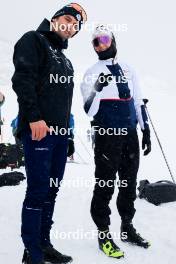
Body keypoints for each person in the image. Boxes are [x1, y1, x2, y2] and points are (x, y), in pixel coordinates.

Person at [11, 3, 87, 264]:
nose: (71, 26)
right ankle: (31, 252)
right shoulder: (34, 39)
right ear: (55, 19)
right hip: (38, 131)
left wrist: (68, 136)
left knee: (51, 191)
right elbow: (22, 80)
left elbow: (64, 104)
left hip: (59, 135)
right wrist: (34, 118)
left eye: (76, 26)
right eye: (68, 19)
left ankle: (43, 243)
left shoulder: (65, 60)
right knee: (38, 190)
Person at [80, 25, 151, 259]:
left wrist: (145, 129)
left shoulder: (129, 69)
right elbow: (89, 110)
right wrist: (97, 89)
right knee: (105, 185)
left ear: (112, 40)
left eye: (103, 39)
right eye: (95, 42)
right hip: (107, 135)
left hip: (130, 135)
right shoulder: (91, 72)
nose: (100, 44)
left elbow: (139, 101)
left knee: (129, 184)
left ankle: (126, 227)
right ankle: (103, 234)